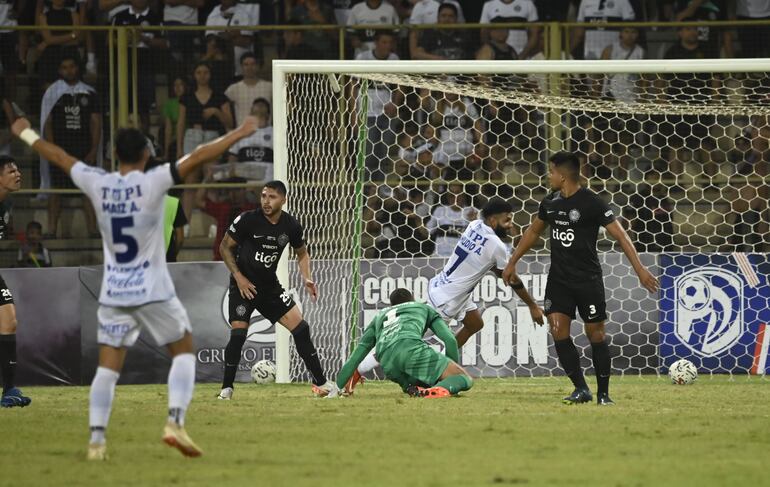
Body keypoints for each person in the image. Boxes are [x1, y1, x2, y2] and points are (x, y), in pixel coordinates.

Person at [12, 114, 258, 459]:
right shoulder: (154, 181)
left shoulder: (98, 182)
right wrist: (240, 132)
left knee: (108, 368)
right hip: (153, 289)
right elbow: (200, 155)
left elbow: (60, 158)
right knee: (183, 352)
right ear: (145, 154)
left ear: (115, 156)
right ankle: (175, 422)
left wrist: (25, 132)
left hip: (115, 291)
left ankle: (97, 441)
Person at [502, 152, 659, 406]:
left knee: (595, 335)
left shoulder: (592, 203)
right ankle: (581, 388)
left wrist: (639, 269)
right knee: (558, 331)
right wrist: (512, 261)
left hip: (587, 280)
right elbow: (533, 231)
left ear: (562, 176)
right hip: (559, 280)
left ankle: (604, 394)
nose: (548, 176)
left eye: (551, 172)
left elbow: (621, 236)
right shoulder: (550, 202)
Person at [351, 200, 544, 392]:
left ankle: (443, 364)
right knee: (404, 337)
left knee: (475, 323)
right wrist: (532, 306)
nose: (511, 225)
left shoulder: (474, 225)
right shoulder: (496, 246)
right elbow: (512, 278)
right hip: (447, 299)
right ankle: (357, 370)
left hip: (448, 287)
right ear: (493, 221)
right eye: (507, 220)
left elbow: (487, 263)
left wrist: (500, 271)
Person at [217, 180, 338, 400]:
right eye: (263, 196)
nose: (266, 201)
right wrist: (239, 277)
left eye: (272, 197)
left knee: (301, 329)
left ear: (283, 200)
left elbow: (302, 252)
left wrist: (307, 278)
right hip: (244, 286)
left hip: (269, 287)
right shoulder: (247, 220)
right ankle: (227, 389)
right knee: (238, 335)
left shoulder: (291, 226)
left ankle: (322, 383)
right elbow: (225, 246)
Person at [332, 288, 472, 399]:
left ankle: (414, 388)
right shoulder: (423, 308)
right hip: (410, 349)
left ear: (392, 306)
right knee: (463, 378)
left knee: (424, 381)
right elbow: (450, 340)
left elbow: (356, 356)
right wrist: (451, 373)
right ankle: (444, 389)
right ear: (412, 299)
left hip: (387, 364)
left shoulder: (380, 316)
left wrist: (337, 388)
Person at [41, 53, 101, 238]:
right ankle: (51, 230)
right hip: (60, 150)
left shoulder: (89, 92)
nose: (69, 70)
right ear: (60, 70)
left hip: (83, 149)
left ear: (78, 68)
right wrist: (52, 150)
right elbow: (47, 123)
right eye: (64, 67)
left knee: (87, 190)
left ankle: (92, 230)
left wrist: (93, 150)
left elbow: (96, 123)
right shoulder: (52, 92)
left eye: (72, 66)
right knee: (56, 191)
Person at [177, 61, 233, 219]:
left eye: (205, 72)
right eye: (199, 72)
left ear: (210, 74)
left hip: (212, 138)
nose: (202, 76)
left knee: (211, 181)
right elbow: (181, 123)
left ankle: (214, 225)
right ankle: (185, 225)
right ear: (194, 75)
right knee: (190, 184)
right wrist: (179, 148)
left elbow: (229, 123)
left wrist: (216, 111)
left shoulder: (220, 96)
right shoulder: (186, 96)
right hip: (192, 136)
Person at [0, 155, 31, 408]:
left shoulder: (7, 205)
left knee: (9, 321)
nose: (18, 174)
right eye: (11, 171)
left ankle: (9, 391)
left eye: (18, 170)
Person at [225, 52, 272, 126]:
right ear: (241, 67)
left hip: (265, 133)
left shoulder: (270, 87)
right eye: (246, 64)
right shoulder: (233, 89)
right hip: (243, 133)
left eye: (253, 64)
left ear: (258, 66)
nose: (249, 68)